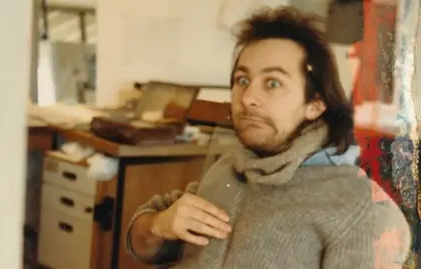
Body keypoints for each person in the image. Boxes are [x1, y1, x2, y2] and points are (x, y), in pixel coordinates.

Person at [124, 6, 411, 269]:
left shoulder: (362, 209)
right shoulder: (226, 169)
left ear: (316, 104)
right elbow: (141, 244)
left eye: (272, 83)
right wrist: (158, 226)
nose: (248, 98)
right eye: (242, 80)